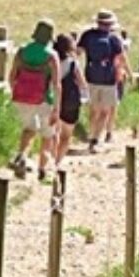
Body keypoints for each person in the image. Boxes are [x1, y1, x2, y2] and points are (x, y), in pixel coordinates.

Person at [8, 19, 61, 181]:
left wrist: (16, 92)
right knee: (47, 134)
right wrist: (57, 108)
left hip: (22, 97)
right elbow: (57, 84)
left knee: (28, 129)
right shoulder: (51, 55)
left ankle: (22, 156)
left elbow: (12, 76)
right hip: (44, 99)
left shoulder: (22, 51)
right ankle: (42, 169)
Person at [77, 9, 124, 153]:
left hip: (91, 77)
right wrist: (120, 76)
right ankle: (95, 139)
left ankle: (91, 134)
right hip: (108, 80)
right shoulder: (114, 39)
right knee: (105, 111)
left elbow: (77, 53)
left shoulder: (87, 35)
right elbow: (118, 60)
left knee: (93, 109)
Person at [54, 33, 88, 168]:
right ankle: (57, 162)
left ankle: (48, 160)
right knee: (66, 135)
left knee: (53, 134)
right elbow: (82, 82)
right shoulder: (73, 63)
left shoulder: (51, 60)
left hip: (53, 100)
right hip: (69, 102)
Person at [106, 26, 133, 142]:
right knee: (114, 105)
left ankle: (99, 131)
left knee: (104, 106)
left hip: (102, 77)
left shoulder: (99, 40)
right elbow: (123, 59)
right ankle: (109, 131)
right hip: (117, 76)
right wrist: (130, 73)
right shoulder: (117, 40)